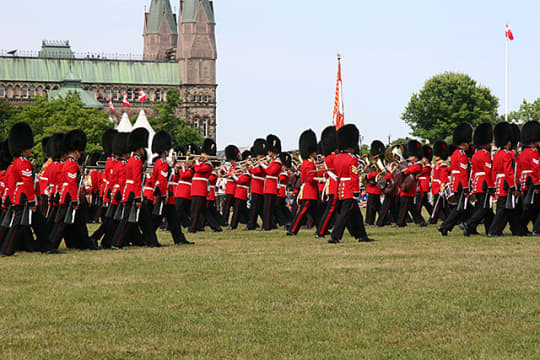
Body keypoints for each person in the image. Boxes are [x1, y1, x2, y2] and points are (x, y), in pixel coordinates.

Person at [0, 123, 49, 256]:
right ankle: (6, 250)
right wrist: (32, 201)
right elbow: (27, 182)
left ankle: (47, 247)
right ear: (23, 148)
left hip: (22, 196)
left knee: (40, 223)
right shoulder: (22, 163)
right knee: (18, 225)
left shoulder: (17, 162)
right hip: (24, 198)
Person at [48, 129, 97, 252]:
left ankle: (84, 243)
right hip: (69, 197)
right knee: (61, 223)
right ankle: (51, 246)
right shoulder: (71, 164)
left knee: (79, 222)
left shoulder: (68, 163)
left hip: (68, 195)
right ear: (76, 151)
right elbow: (71, 183)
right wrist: (75, 199)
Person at [328, 124, 373, 244]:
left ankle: (362, 235)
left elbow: (337, 176)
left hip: (341, 188)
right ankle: (334, 236)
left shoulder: (337, 158)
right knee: (344, 215)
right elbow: (354, 177)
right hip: (349, 189)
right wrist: (356, 191)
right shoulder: (352, 159)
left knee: (357, 216)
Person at [151, 131, 193, 244]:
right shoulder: (163, 163)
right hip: (164, 194)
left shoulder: (160, 162)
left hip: (167, 195)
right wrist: (164, 195)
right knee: (156, 219)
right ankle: (149, 238)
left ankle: (179, 239)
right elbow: (163, 180)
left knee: (173, 219)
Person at [438, 123, 473, 236]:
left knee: (462, 207)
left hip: (455, 182)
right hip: (459, 183)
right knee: (460, 207)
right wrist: (466, 187)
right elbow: (463, 173)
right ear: (464, 143)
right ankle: (444, 226)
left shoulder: (455, 154)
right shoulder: (462, 155)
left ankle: (450, 226)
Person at [460, 123, 494, 236]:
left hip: (477, 182)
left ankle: (490, 230)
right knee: (485, 207)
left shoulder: (475, 155)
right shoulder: (485, 155)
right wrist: (491, 185)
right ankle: (469, 224)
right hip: (484, 182)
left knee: (486, 208)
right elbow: (488, 171)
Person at [287, 130, 319, 236]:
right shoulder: (309, 164)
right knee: (302, 212)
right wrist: (320, 180)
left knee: (315, 213)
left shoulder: (306, 163)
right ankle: (292, 229)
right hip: (309, 191)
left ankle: (321, 229)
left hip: (310, 191)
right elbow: (310, 178)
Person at [488, 122, 517, 237]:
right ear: (507, 142)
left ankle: (500, 229)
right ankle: (493, 230)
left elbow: (494, 171)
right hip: (505, 183)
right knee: (501, 209)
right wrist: (512, 185)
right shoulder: (507, 155)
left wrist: (494, 184)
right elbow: (508, 171)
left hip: (499, 183)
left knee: (505, 208)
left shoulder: (497, 154)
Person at [396, 140, 426, 227]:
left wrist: (404, 171)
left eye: (411, 155)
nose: (410, 157)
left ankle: (400, 223)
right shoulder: (410, 163)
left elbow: (413, 170)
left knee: (404, 206)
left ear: (416, 157)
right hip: (406, 186)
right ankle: (420, 221)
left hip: (410, 187)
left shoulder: (418, 164)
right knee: (411, 207)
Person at [315, 126, 339, 237]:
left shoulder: (331, 157)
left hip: (337, 186)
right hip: (336, 186)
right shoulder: (332, 157)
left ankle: (360, 233)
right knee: (330, 210)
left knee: (350, 211)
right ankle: (320, 231)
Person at [261, 134, 283, 231]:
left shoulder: (277, 162)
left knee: (268, 208)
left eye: (269, 151)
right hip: (268, 186)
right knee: (267, 208)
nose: (268, 153)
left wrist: (262, 164)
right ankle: (270, 225)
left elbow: (270, 171)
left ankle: (267, 226)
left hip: (272, 186)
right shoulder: (272, 161)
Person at [246, 139, 266, 230]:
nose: (257, 156)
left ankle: (251, 225)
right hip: (255, 187)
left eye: (258, 155)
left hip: (259, 187)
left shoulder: (264, 163)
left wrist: (250, 165)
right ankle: (270, 223)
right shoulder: (259, 163)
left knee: (254, 208)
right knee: (259, 209)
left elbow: (256, 171)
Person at [364, 140, 385, 225]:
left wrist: (368, 176)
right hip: (371, 185)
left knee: (371, 206)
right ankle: (385, 219)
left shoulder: (380, 161)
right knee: (377, 205)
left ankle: (369, 221)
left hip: (375, 185)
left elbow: (381, 172)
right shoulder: (373, 162)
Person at [429, 141, 449, 224]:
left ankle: (433, 219)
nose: (435, 156)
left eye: (437, 154)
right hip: (435, 186)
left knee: (437, 205)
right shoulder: (437, 164)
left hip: (439, 187)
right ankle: (446, 218)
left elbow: (444, 178)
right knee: (440, 206)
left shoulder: (442, 165)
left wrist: (442, 186)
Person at [415, 145, 433, 217]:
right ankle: (434, 214)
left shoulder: (427, 167)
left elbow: (420, 172)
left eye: (424, 158)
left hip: (423, 187)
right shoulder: (424, 166)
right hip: (421, 185)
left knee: (419, 203)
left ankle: (417, 216)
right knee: (426, 203)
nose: (422, 159)